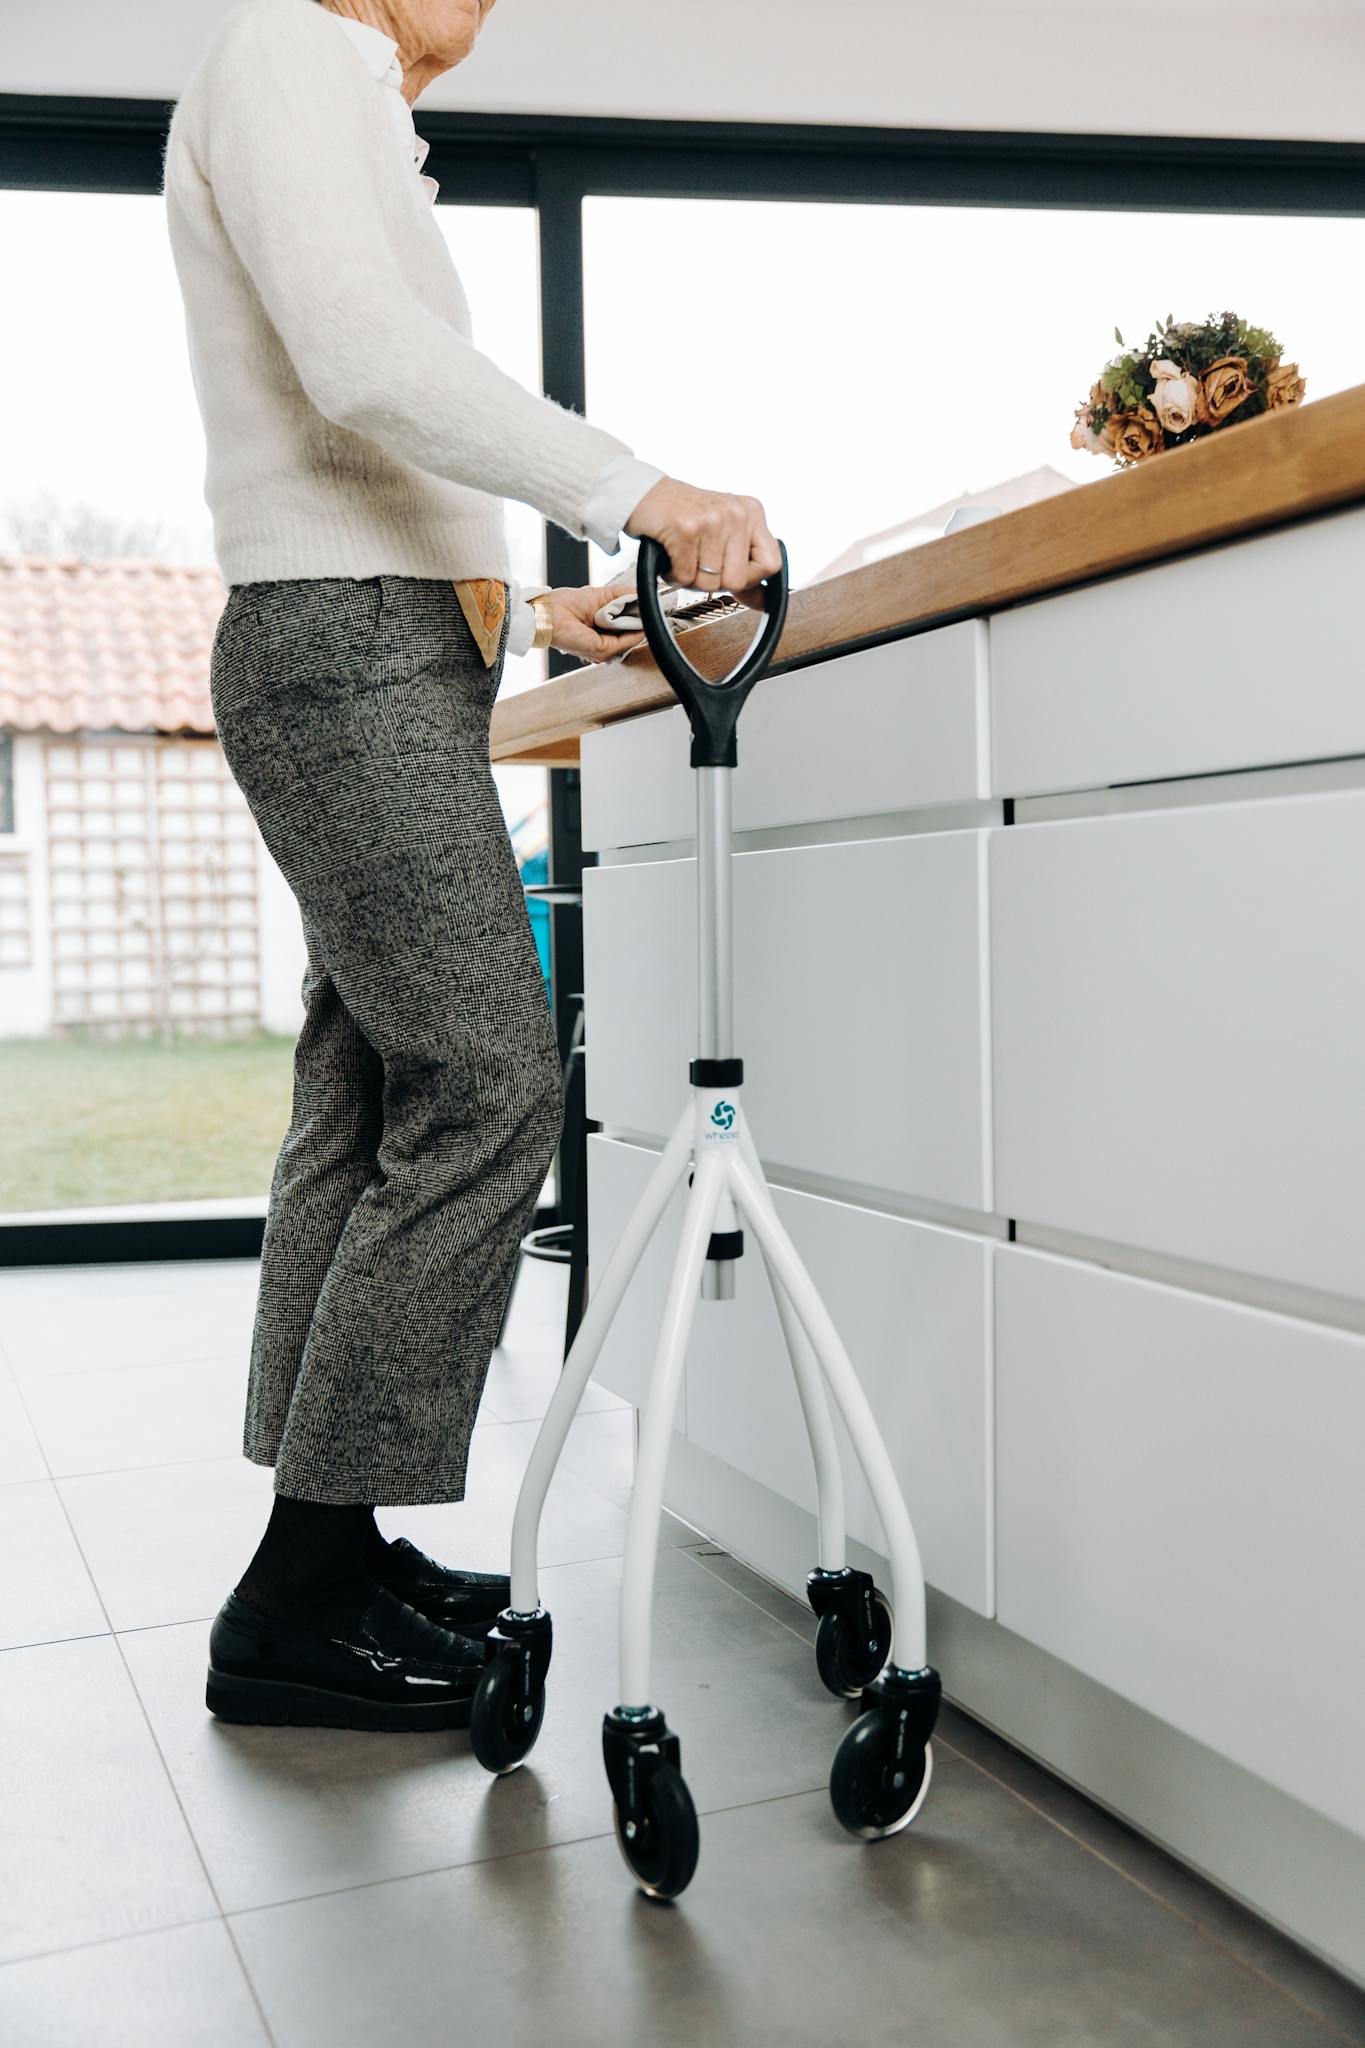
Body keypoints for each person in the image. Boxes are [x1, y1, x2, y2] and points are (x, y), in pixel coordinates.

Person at [163, 0, 781, 1730]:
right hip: (343, 648)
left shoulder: (333, 87)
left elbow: (347, 446)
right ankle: (297, 1593)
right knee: (489, 1081)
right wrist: (640, 491)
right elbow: (361, 357)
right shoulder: (289, 46)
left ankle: (327, 1557)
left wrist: (523, 606)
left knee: (365, 1089)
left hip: (378, 639)